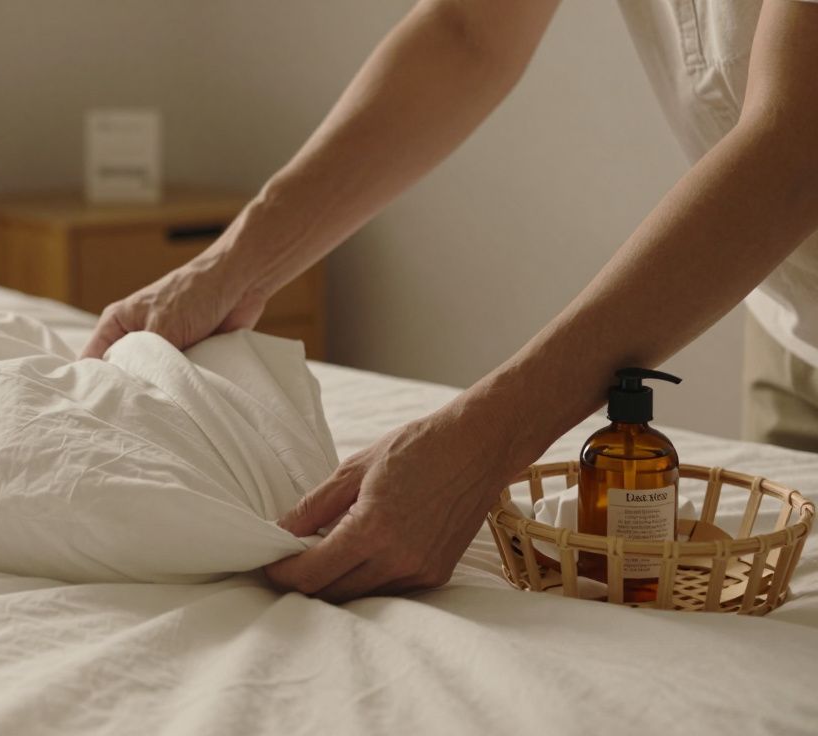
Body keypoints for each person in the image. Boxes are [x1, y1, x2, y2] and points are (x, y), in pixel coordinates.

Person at [78, 0, 818, 602]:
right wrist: (233, 264)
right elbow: (468, 31)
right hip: (790, 322)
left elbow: (796, 155)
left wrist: (483, 442)